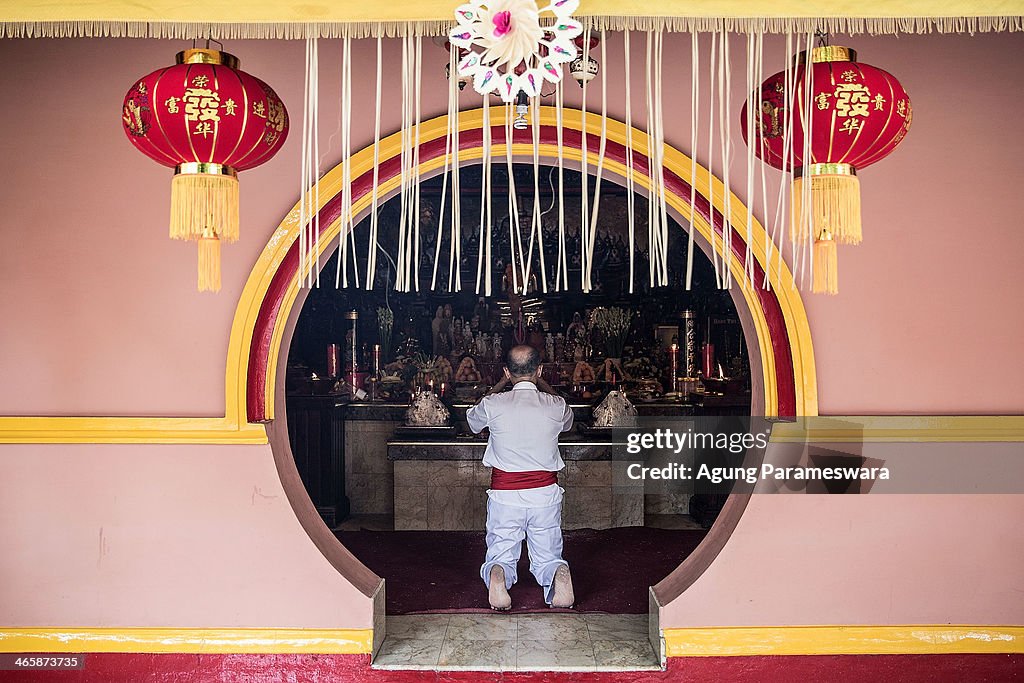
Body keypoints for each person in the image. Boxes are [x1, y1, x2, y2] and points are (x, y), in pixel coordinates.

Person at [466, 345, 575, 610]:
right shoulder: (556, 406)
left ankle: (498, 573)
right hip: (545, 494)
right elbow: (569, 420)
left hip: (505, 496)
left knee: (501, 550)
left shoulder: (493, 404)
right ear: (539, 370)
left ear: (506, 371)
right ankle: (557, 571)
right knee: (548, 554)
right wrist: (543, 384)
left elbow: (472, 422)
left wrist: (499, 385)